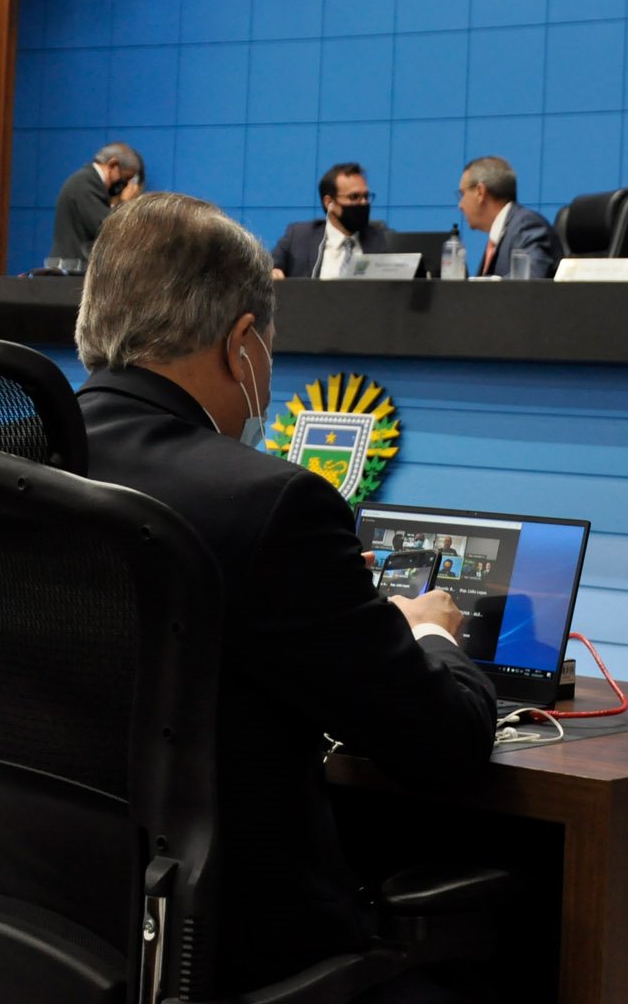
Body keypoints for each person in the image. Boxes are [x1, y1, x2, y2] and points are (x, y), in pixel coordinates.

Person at [75, 193, 498, 994]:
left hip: (32, 922)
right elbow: (444, 745)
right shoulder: (268, 504)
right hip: (222, 951)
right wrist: (428, 632)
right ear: (242, 344)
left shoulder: (7, 459)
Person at [271, 162, 390, 279]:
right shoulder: (298, 237)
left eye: (366, 196)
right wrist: (273, 272)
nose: (363, 202)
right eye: (354, 197)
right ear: (329, 203)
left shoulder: (383, 239)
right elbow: (268, 269)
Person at [458, 156, 562, 278]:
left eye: (462, 194)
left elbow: (529, 280)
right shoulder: (500, 235)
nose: (460, 205)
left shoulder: (526, 225)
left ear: (480, 192)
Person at [48, 141, 143, 268]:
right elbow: (106, 230)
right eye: (126, 178)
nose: (125, 185)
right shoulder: (87, 183)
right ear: (113, 165)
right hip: (72, 268)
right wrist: (125, 204)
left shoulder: (87, 180)